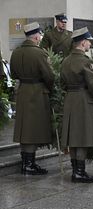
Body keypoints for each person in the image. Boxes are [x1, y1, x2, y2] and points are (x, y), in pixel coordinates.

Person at [60, 27, 93, 183]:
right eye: (88, 41)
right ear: (83, 42)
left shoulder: (65, 61)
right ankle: (79, 172)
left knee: (73, 137)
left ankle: (76, 171)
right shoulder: (86, 61)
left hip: (70, 99)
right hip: (83, 100)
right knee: (82, 136)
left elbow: (62, 83)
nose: (90, 44)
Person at [10, 22, 54, 175]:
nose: (40, 38)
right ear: (36, 36)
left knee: (24, 129)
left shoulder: (16, 52)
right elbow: (49, 76)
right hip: (37, 92)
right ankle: (29, 164)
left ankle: (27, 162)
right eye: (40, 35)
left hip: (22, 92)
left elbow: (13, 74)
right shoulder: (40, 53)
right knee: (33, 129)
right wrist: (50, 88)